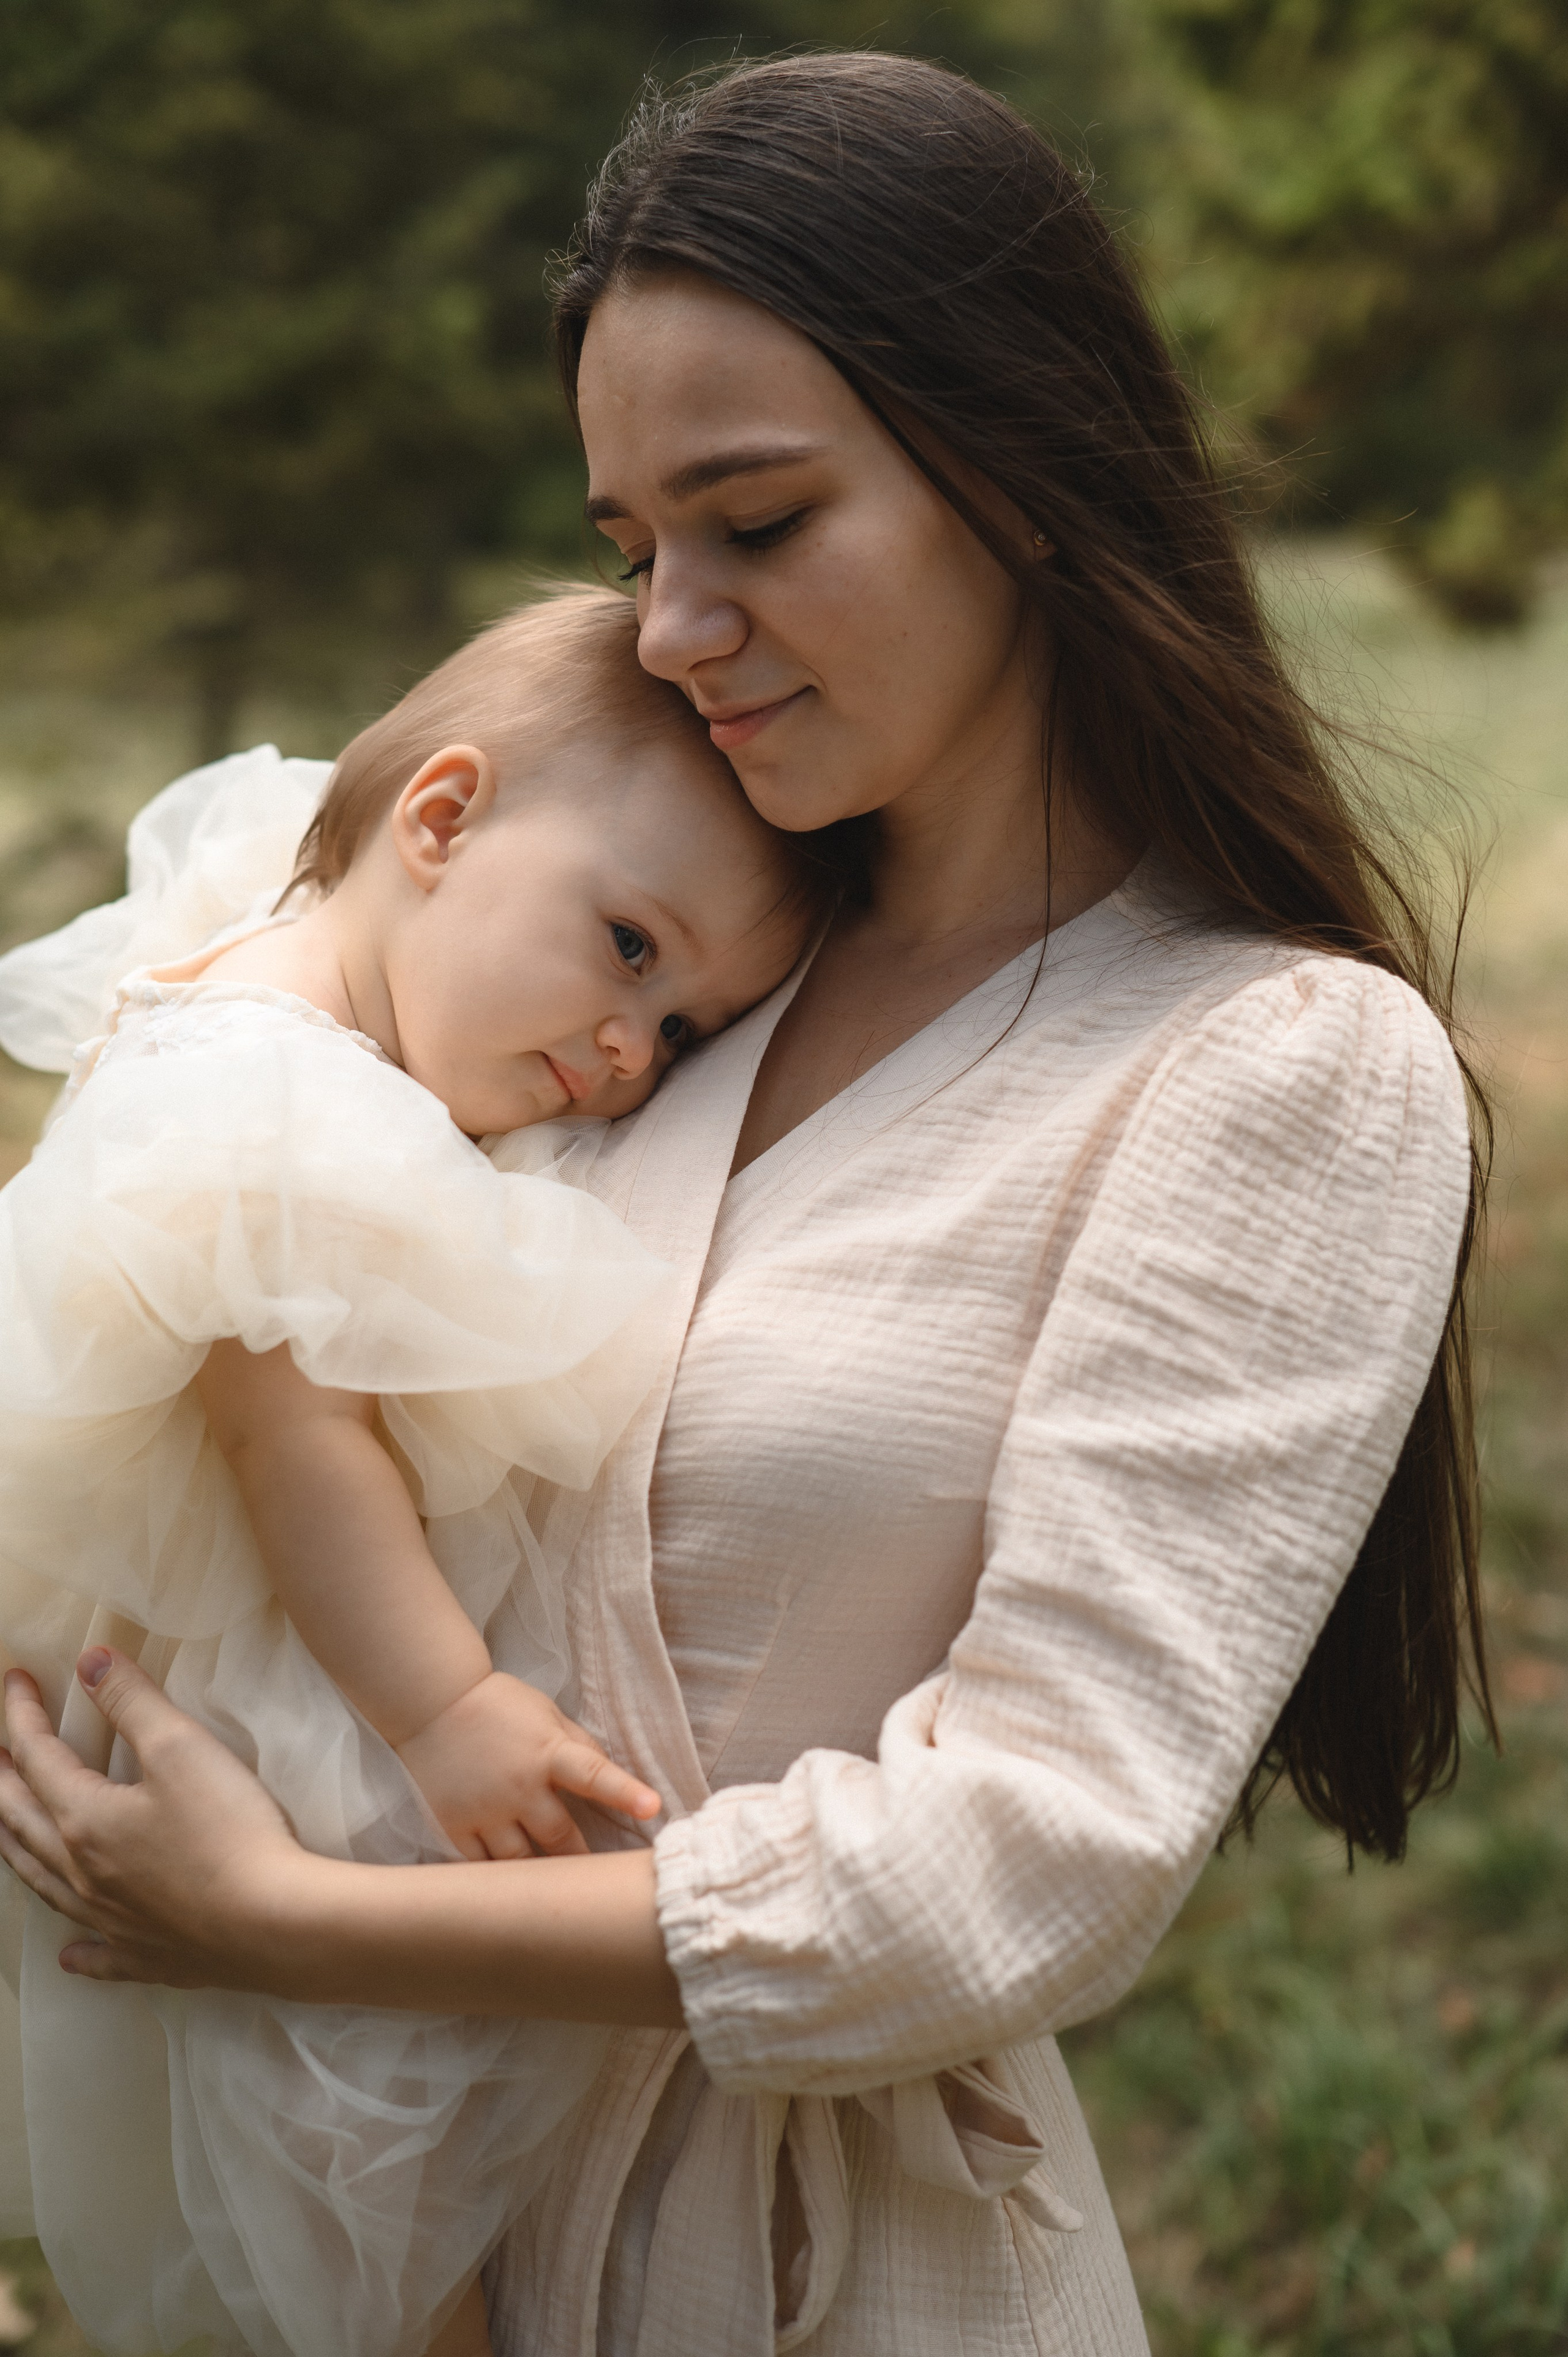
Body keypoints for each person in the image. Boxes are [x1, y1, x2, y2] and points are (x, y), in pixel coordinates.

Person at [0, 51, 1491, 2357]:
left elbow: (1022, 1868)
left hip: (819, 2279)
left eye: (760, 522)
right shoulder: (646, 968)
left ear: (1022, 475)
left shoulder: (1270, 1068)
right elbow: (260, 1310)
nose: (674, 625)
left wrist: (285, 1921)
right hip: (405, 2237)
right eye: (632, 550)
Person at [0, 586, 823, 2357]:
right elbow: (292, 1443)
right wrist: (445, 1708)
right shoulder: (275, 1116)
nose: (628, 1057)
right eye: (627, 949)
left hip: (243, 1657)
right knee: (363, 2142)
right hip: (290, 1696)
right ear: (442, 821)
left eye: (681, 1030)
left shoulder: (268, 957)